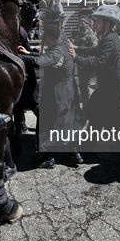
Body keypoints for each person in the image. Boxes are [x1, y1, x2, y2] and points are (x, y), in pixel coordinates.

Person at [22, 23, 82, 168]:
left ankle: (48, 158)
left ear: (47, 38)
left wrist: (16, 57)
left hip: (57, 94)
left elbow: (40, 61)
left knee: (48, 124)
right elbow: (46, 56)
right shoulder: (62, 45)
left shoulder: (57, 51)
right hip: (67, 92)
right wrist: (29, 53)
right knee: (66, 123)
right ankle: (74, 154)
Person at [69, 5, 120, 131]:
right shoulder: (107, 37)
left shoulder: (109, 39)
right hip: (107, 86)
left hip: (114, 88)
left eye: (98, 22)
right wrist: (77, 48)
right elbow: (95, 50)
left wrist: (76, 58)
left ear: (107, 24)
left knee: (115, 120)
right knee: (98, 117)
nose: (95, 24)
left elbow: (99, 62)